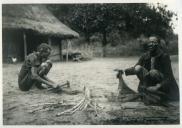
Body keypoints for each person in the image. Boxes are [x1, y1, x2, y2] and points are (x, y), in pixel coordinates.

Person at [121, 36, 179, 105]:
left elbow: (168, 77)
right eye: (149, 42)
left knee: (153, 72)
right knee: (138, 67)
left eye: (153, 42)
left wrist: (157, 87)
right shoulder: (145, 56)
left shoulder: (164, 57)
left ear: (158, 44)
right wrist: (123, 71)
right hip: (148, 84)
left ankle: (154, 91)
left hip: (162, 86)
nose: (151, 44)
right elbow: (135, 68)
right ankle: (146, 89)